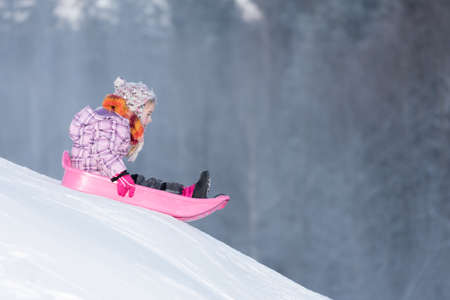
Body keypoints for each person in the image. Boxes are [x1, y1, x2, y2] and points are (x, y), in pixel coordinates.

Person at [69, 76, 210, 198]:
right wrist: (120, 175)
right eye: (148, 114)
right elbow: (103, 151)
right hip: (97, 182)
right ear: (135, 110)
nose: (150, 120)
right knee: (145, 188)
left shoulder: (107, 119)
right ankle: (184, 196)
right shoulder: (115, 123)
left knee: (141, 182)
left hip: (96, 176)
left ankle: (186, 193)